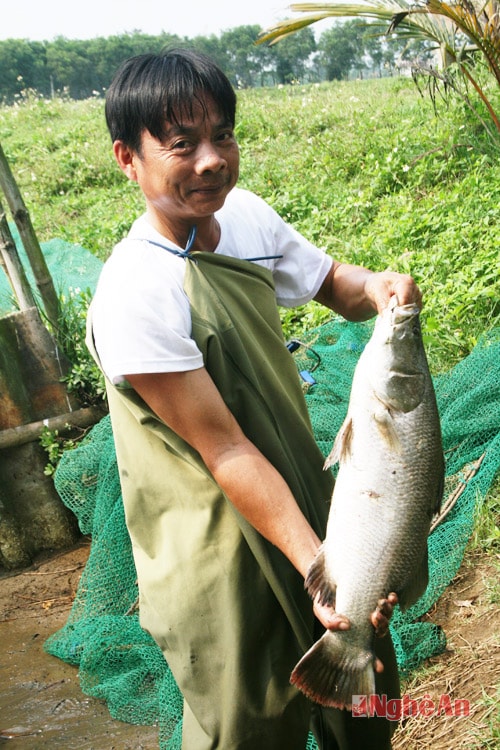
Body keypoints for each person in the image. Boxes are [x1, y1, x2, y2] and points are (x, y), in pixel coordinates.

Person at [87, 48, 421, 750]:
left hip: (299, 491)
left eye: (223, 136)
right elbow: (226, 448)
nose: (211, 160)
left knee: (365, 695)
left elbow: (335, 283)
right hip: (212, 543)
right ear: (128, 157)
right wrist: (321, 572)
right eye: (182, 144)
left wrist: (381, 288)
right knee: (249, 722)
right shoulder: (133, 293)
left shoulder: (245, 218)